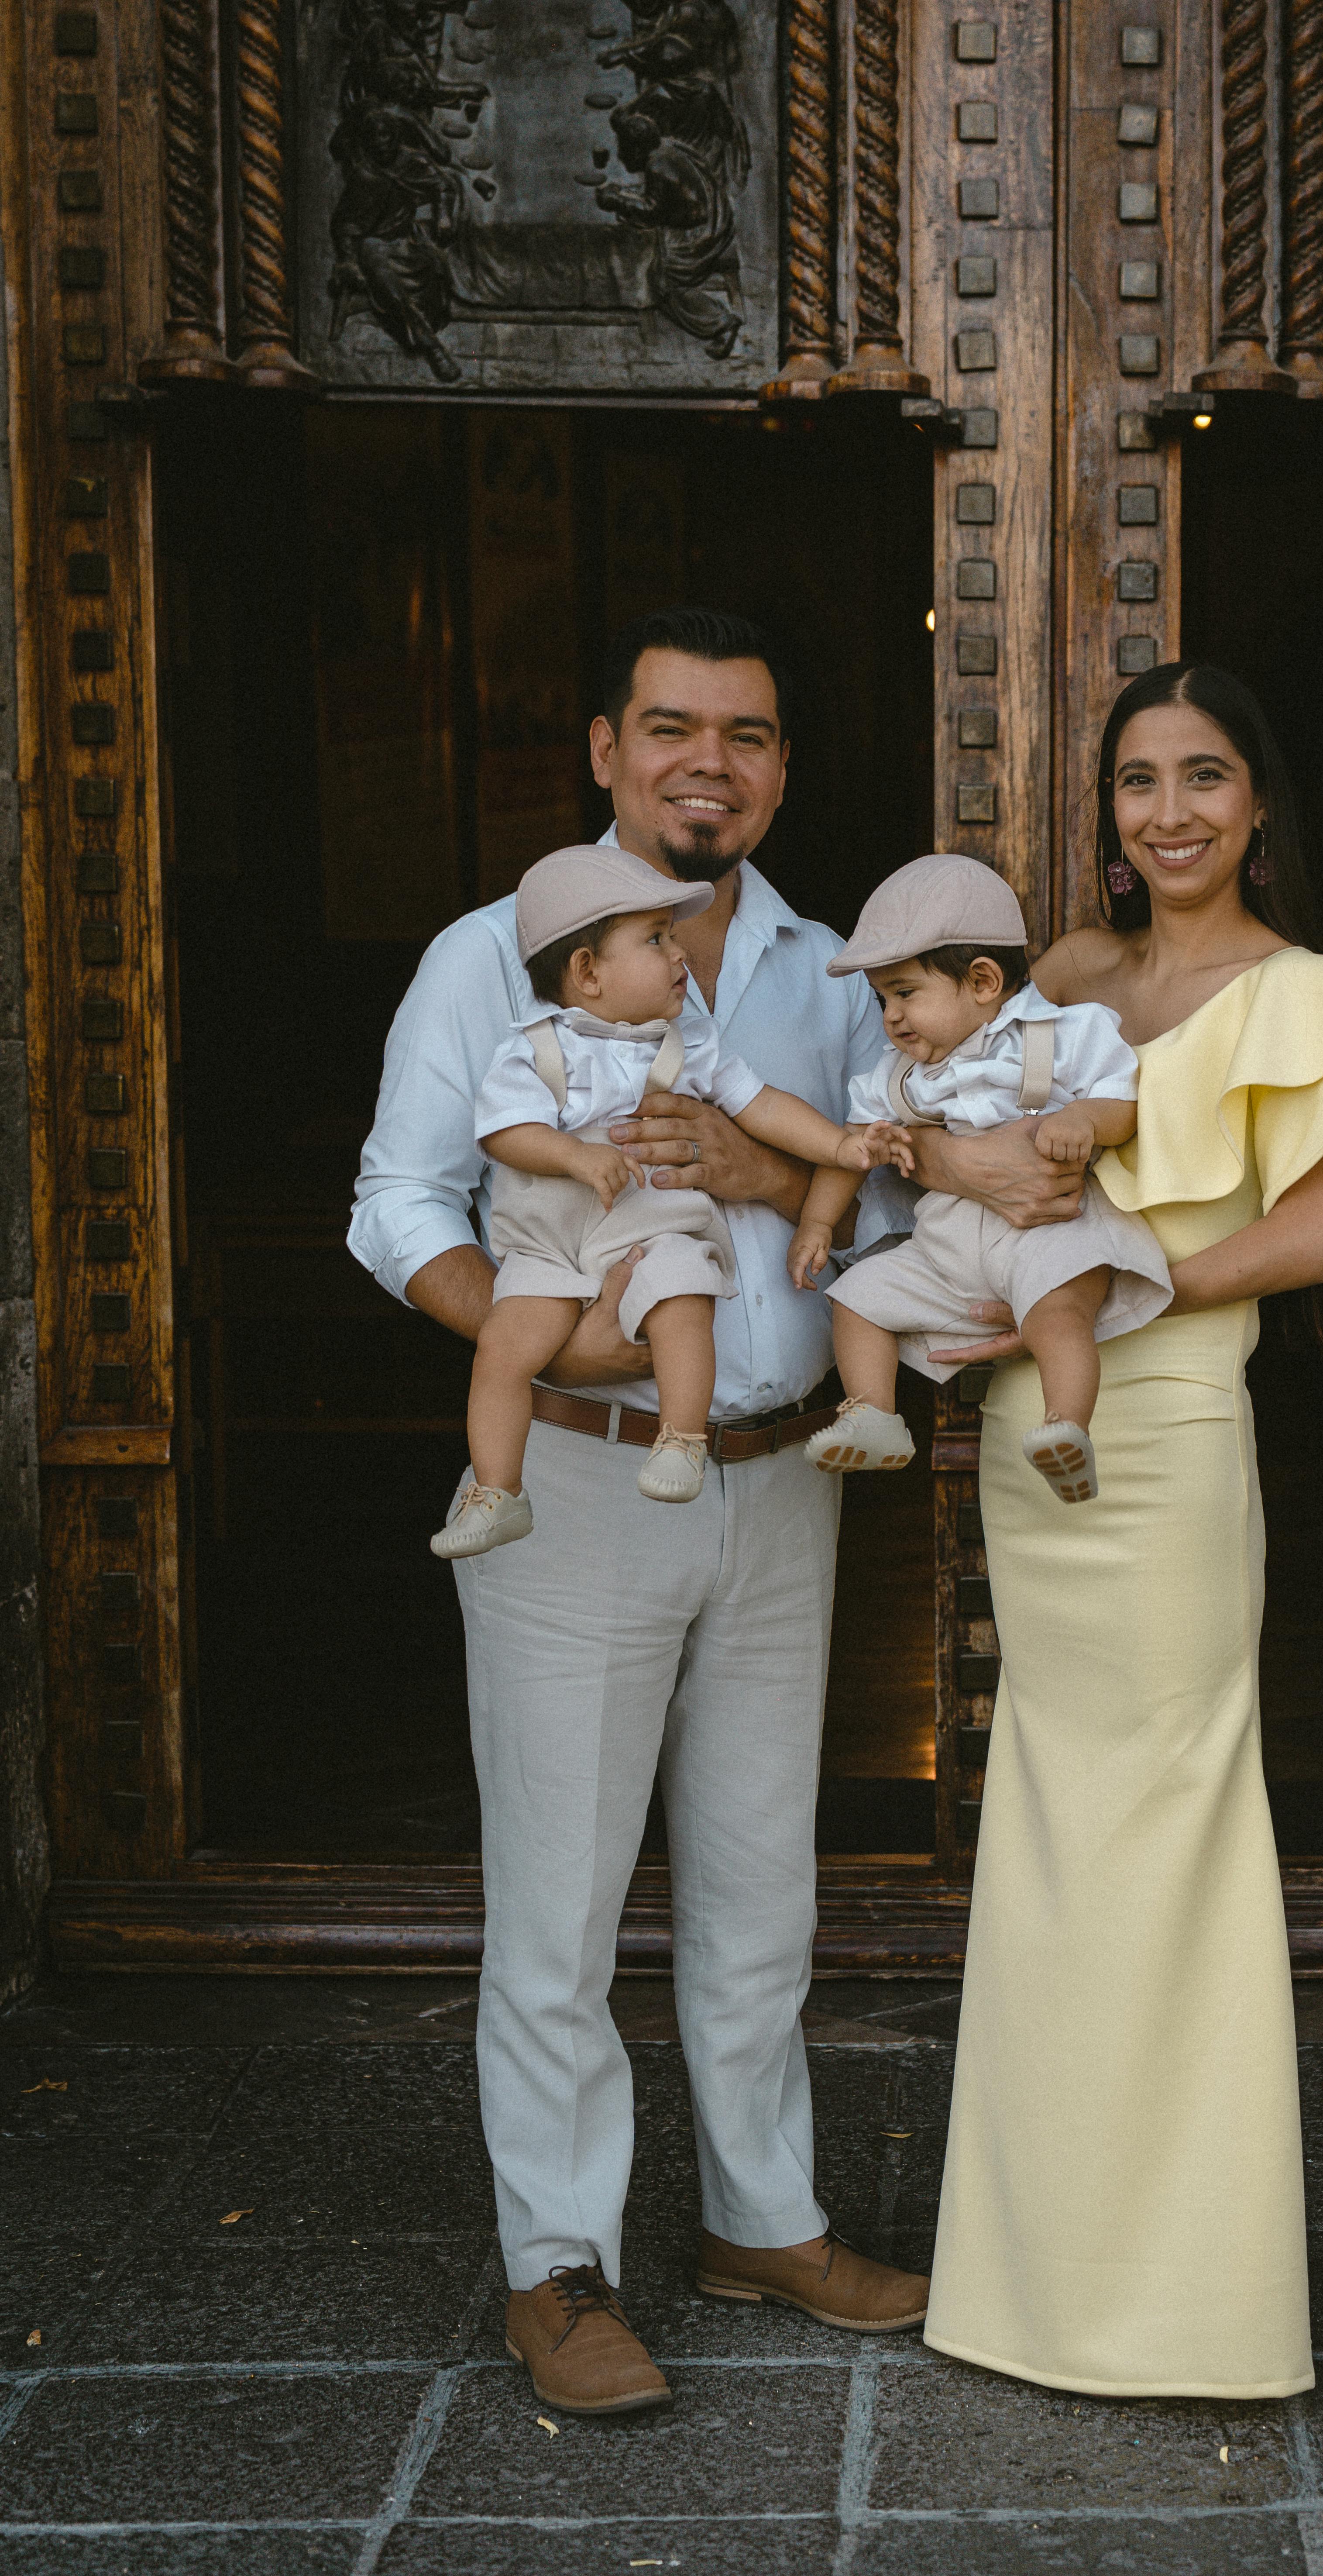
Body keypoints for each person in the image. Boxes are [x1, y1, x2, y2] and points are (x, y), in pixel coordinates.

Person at [349, 607, 953, 2416]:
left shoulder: (840, 970)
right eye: (671, 727)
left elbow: (909, 1232)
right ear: (602, 750)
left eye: (747, 734)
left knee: (762, 1887)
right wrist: (541, 1341)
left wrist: (770, 1168)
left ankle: (762, 2212)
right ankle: (559, 2260)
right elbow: (396, 1198)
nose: (710, 760)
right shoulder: (489, 956)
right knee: (559, 1896)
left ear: (778, 766)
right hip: (579, 1479)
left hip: (778, 1482)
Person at [923, 663, 1323, 2396]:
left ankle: (1189, 2299)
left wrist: (1121, 1289)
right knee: (1049, 1816)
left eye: (1203, 774)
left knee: (1169, 1816)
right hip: (1023, 1430)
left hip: (1169, 1428)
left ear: (1256, 799)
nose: (1168, 810)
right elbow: (944, 1150)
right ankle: (1029, 2282)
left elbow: (1316, 1239)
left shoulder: (1301, 995)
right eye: (1137, 779)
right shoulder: (1055, 973)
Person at [434, 843, 905, 1546]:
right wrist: (571, 1153)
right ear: (587, 973)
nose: (678, 954)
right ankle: (498, 1488)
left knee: (682, 1299)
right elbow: (504, 1132)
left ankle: (680, 1440)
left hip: (656, 1230)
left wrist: (838, 1147)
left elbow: (762, 1105)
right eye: (655, 939)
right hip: (552, 1247)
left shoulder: (688, 1043)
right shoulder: (534, 1048)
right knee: (503, 1348)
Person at [788, 854, 1172, 1504]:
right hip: (947, 1246)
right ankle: (873, 1414)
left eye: (905, 993)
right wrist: (817, 1221)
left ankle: (1067, 1427)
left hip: (1050, 1231)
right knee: (855, 1298)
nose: (891, 1018)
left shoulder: (1060, 1035)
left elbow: (1122, 1103)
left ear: (984, 981)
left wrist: (1084, 1119)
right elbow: (850, 1152)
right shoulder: (895, 1076)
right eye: (882, 999)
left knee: (1058, 1317)